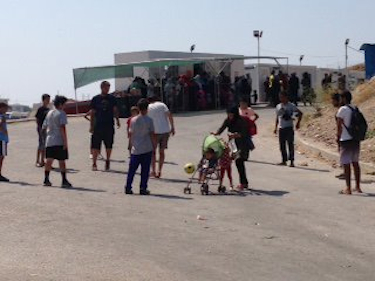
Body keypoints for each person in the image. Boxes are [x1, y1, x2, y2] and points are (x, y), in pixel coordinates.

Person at [213, 107, 250, 190]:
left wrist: (236, 135)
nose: (229, 115)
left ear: (235, 113)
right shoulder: (228, 120)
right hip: (233, 144)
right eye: (228, 114)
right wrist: (216, 133)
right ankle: (244, 183)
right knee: (238, 163)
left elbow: (244, 133)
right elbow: (222, 128)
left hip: (242, 144)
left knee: (239, 162)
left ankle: (243, 183)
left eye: (231, 114)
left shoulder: (241, 121)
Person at [125, 99, 156, 195]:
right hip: (146, 147)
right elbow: (152, 134)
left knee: (132, 170)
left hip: (136, 148)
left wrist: (130, 145)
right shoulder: (149, 120)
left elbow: (131, 134)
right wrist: (154, 145)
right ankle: (143, 188)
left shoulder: (133, 120)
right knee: (145, 170)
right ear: (147, 109)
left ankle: (128, 187)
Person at [90, 81, 121, 171]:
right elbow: (92, 113)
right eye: (106, 87)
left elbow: (115, 110)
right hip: (98, 125)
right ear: (101, 87)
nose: (107, 89)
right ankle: (94, 163)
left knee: (109, 144)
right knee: (95, 145)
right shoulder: (95, 99)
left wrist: (117, 120)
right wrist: (91, 125)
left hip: (109, 124)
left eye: (108, 88)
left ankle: (108, 160)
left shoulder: (112, 98)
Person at [336, 91, 363, 195]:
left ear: (344, 99)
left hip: (345, 140)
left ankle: (348, 188)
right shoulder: (355, 108)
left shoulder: (342, 110)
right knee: (355, 163)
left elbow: (339, 126)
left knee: (346, 164)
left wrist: (337, 138)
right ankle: (358, 187)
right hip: (355, 139)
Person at [42, 96, 72, 188]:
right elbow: (62, 127)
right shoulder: (61, 113)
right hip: (58, 140)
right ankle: (64, 180)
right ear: (60, 104)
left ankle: (46, 179)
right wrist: (65, 142)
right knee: (61, 160)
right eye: (64, 104)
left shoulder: (49, 113)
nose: (65, 106)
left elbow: (44, 127)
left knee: (49, 160)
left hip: (49, 140)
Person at [147, 96, 175, 178]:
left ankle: (153, 171)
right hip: (165, 131)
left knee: (153, 152)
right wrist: (172, 127)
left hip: (154, 132)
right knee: (162, 152)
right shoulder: (162, 105)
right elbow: (169, 115)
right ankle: (160, 170)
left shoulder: (149, 107)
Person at [274, 91, 303, 167]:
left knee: (290, 144)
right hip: (281, 128)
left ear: (286, 97)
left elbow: (300, 113)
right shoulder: (278, 106)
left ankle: (292, 161)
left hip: (289, 127)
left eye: (282, 97)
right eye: (280, 97)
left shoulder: (291, 106)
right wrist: (275, 127)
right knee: (282, 145)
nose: (281, 99)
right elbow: (277, 117)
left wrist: (298, 123)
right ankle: (284, 160)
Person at [35, 94, 51, 167]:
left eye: (49, 99)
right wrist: (40, 128)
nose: (48, 101)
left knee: (46, 145)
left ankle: (43, 160)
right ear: (43, 100)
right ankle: (37, 161)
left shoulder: (48, 109)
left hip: (47, 129)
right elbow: (37, 119)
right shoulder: (40, 109)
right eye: (47, 99)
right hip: (41, 128)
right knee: (41, 144)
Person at [0, 103, 10, 182]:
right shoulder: (2, 116)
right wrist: (4, 131)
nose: (6, 110)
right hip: (2, 139)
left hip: (3, 139)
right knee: (1, 157)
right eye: (5, 108)